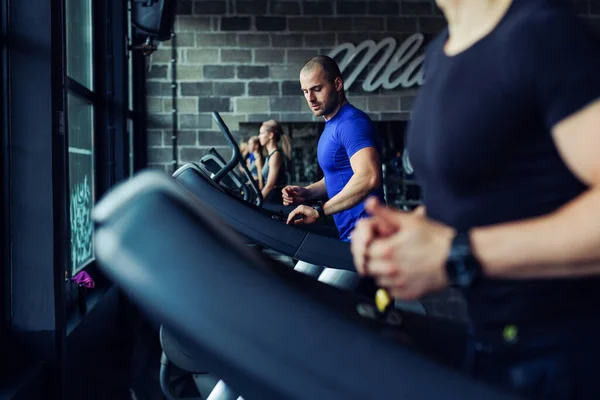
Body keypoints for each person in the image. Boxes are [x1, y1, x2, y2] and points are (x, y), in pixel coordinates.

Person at [350, 0, 600, 398]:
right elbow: (486, 194)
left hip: (569, 352)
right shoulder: (441, 52)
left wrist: (459, 254)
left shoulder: (543, 35)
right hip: (492, 340)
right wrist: (406, 232)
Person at [283, 55, 385, 243]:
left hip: (367, 234)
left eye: (317, 89)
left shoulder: (351, 123)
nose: (310, 98)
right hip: (349, 233)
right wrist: (307, 193)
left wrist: (319, 211)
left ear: (337, 84)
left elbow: (369, 176)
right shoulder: (332, 124)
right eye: (305, 91)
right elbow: (338, 176)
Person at [258, 120, 292, 203]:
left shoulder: (275, 155)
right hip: (271, 197)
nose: (259, 136)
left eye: (262, 133)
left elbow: (270, 185)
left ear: (271, 135)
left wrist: (257, 201)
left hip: (275, 199)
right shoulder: (270, 155)